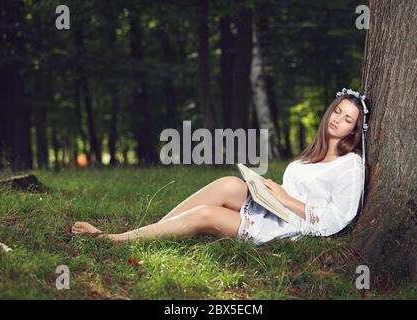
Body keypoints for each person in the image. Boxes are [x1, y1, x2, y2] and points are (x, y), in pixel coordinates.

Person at [71, 88, 370, 245]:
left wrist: (283, 198)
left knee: (205, 215)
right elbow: (290, 189)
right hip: (278, 209)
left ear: (354, 130)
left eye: (347, 120)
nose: (337, 119)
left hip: (293, 226)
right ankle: (151, 231)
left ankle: (114, 241)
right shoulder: (311, 154)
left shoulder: (351, 166)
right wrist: (266, 190)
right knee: (229, 183)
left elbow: (337, 218)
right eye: (337, 111)